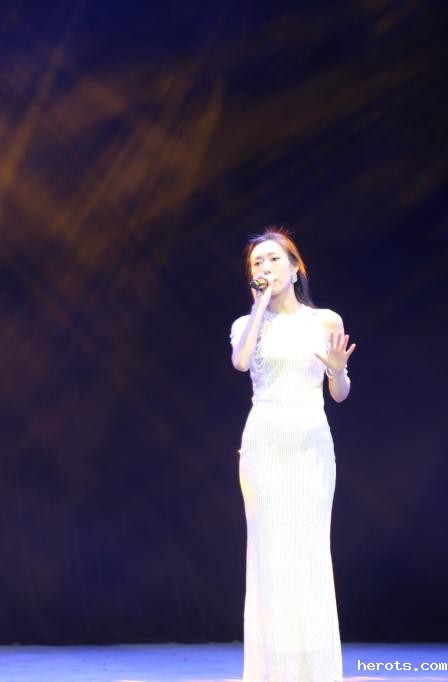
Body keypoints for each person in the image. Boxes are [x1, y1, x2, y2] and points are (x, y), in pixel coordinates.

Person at [230, 227, 355, 681]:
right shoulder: (246, 325)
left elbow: (339, 393)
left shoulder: (325, 321)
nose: (265, 268)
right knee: (270, 556)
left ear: (295, 267)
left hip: (310, 445)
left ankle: (314, 669)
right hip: (264, 445)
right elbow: (241, 362)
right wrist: (259, 306)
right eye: (257, 263)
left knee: (309, 554)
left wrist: (338, 372)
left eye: (273, 259)